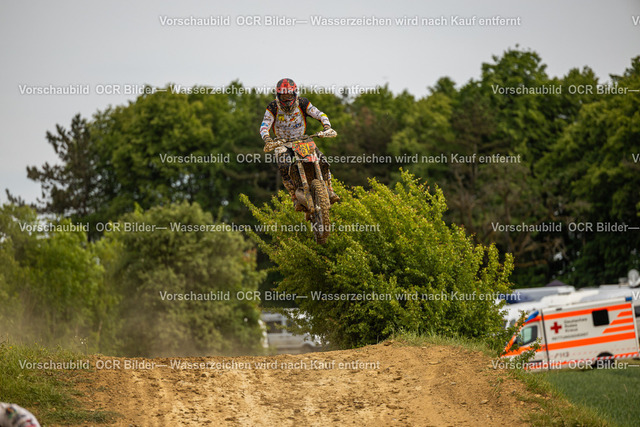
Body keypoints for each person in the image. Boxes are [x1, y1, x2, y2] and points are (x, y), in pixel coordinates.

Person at [259, 78, 339, 209]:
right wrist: (267, 139)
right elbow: (264, 126)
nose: (287, 99)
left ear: (294, 93)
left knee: (322, 160)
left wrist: (326, 126)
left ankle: (329, 189)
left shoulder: (303, 103)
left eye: (289, 95)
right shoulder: (272, 107)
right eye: (283, 96)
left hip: (302, 139)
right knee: (284, 165)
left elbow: (319, 114)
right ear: (278, 95)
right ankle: (294, 196)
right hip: (282, 143)